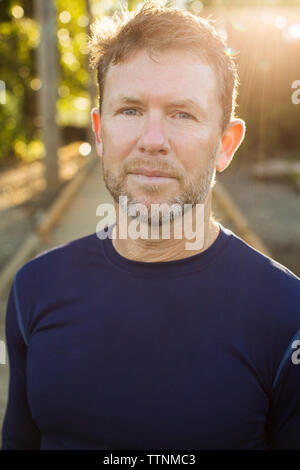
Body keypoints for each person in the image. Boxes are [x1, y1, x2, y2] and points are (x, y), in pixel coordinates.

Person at [2, 2, 300, 450]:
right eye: (130, 110)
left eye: (182, 113)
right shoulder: (33, 291)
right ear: (100, 134)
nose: (153, 141)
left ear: (225, 144)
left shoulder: (286, 314)